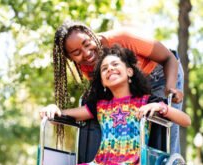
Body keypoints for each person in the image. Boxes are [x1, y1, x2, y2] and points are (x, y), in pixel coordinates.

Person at [41, 45, 191, 165]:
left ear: (129, 71)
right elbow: (67, 114)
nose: (110, 69)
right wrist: (53, 108)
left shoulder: (147, 101)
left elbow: (186, 120)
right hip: (100, 162)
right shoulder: (100, 106)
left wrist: (161, 107)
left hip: (132, 164)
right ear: (103, 82)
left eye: (115, 65)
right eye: (104, 68)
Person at [53, 20, 184, 155]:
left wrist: (170, 88)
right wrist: (60, 112)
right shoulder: (86, 66)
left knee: (163, 138)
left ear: (91, 35)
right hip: (133, 86)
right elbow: (103, 101)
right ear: (69, 58)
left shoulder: (123, 38)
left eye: (87, 44)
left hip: (162, 76)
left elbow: (169, 58)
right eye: (76, 53)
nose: (86, 53)